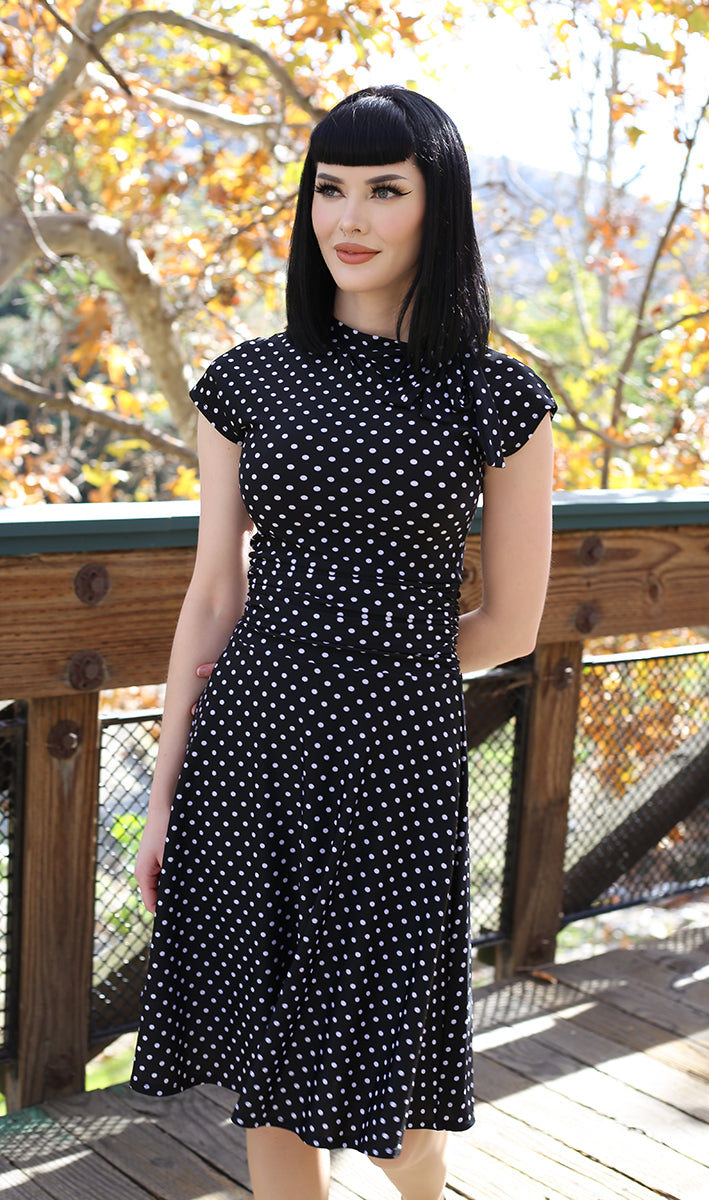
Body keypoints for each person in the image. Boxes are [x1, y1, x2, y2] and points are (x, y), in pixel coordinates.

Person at [131, 85, 556, 1200]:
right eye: (328, 188)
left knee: (388, 1094)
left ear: (436, 207)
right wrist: (165, 791)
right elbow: (213, 597)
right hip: (247, 751)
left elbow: (511, 620)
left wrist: (375, 678)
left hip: (392, 759)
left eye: (383, 189)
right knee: (265, 1080)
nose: (347, 216)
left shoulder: (495, 399)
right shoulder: (246, 381)